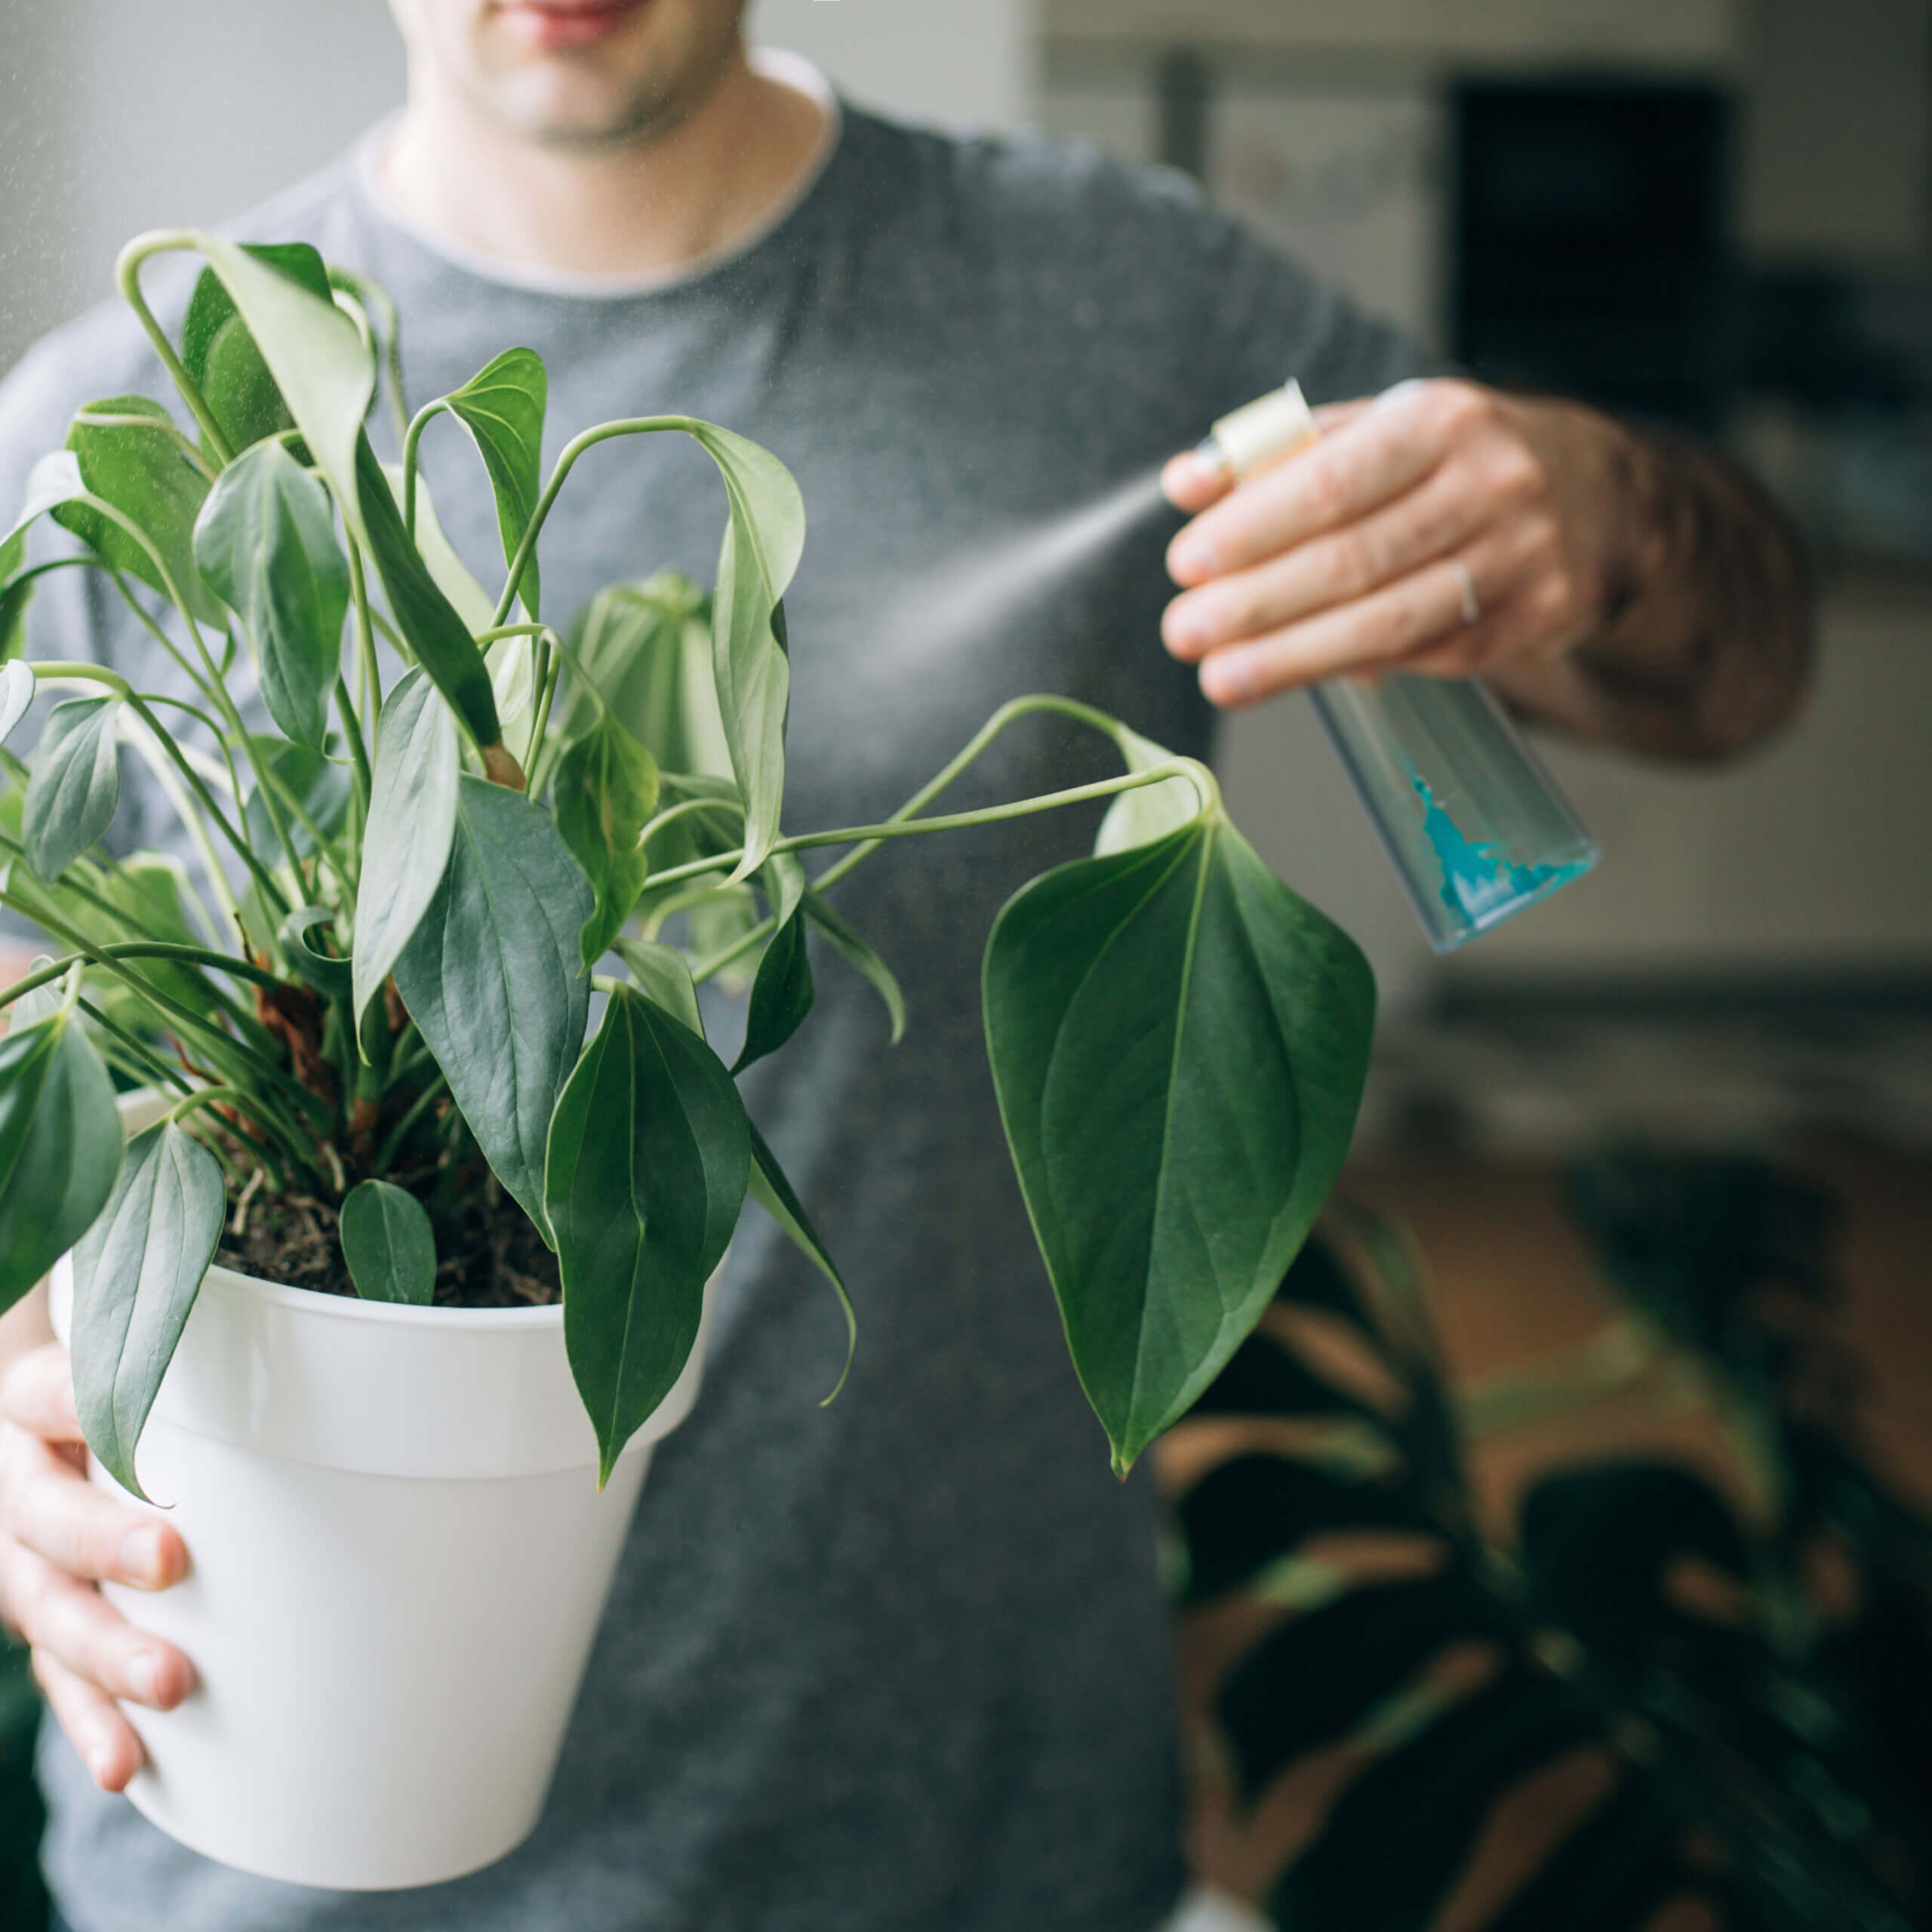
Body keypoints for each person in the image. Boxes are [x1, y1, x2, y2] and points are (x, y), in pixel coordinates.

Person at [0, 4, 1810, 1929]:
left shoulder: (1116, 302)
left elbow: (1732, 675)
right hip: (286, 1826)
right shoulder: (131, 427)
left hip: (964, 1834)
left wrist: (1606, 521)